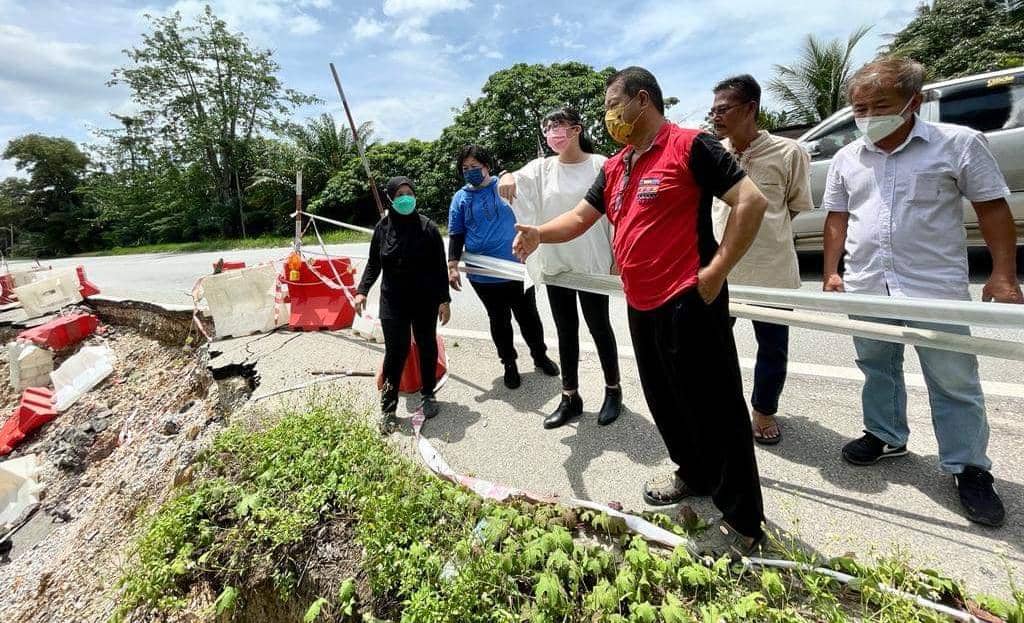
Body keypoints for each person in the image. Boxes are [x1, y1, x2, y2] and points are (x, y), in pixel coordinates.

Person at [514, 67, 769, 555]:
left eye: (613, 102)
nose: (608, 113)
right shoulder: (616, 165)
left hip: (690, 301)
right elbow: (580, 218)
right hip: (641, 302)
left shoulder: (690, 146)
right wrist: (540, 233)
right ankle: (692, 474)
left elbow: (750, 203)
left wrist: (716, 269)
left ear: (642, 99)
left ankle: (743, 522)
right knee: (667, 401)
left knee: (717, 410)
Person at [822, 58, 1022, 527]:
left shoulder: (958, 144)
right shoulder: (847, 158)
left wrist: (1004, 274)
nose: (868, 115)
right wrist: (832, 272)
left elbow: (992, 209)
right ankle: (885, 435)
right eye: (859, 107)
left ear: (915, 101)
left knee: (953, 377)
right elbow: (837, 217)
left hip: (933, 284)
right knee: (876, 364)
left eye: (880, 105)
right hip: (868, 282)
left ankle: (968, 467)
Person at [497, 108, 624, 429]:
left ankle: (613, 392)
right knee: (566, 332)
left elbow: (617, 213)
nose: (552, 133)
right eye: (547, 127)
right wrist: (506, 176)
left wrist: (616, 257)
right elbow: (514, 180)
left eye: (558, 126)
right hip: (557, 264)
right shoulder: (542, 168)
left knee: (599, 328)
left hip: (593, 264)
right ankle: (570, 397)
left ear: (577, 130)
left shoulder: (601, 165)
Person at [710, 74, 813, 445]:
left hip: (771, 272)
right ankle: (721, 409)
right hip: (721, 271)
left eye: (723, 109)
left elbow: (796, 207)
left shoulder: (789, 152)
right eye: (713, 109)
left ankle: (764, 411)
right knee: (713, 346)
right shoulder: (714, 151)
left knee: (772, 347)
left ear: (750, 108)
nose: (715, 116)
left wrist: (762, 234)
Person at [448, 144, 560, 390]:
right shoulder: (460, 198)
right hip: (482, 275)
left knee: (528, 316)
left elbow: (532, 195)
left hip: (516, 267)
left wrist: (509, 173)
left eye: (475, 167)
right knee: (499, 320)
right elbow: (456, 234)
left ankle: (539, 356)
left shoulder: (506, 185)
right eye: (465, 168)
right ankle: (509, 363)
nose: (470, 172)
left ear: (487, 166)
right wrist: (453, 264)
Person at [354, 176, 451, 434]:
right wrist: (362, 291)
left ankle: (428, 394)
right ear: (390, 199)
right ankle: (388, 408)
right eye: (399, 195)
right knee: (395, 354)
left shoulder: (428, 228)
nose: (405, 198)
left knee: (427, 345)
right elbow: (374, 263)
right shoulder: (383, 228)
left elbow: (440, 268)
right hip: (393, 302)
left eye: (409, 193)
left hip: (424, 300)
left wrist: (445, 300)